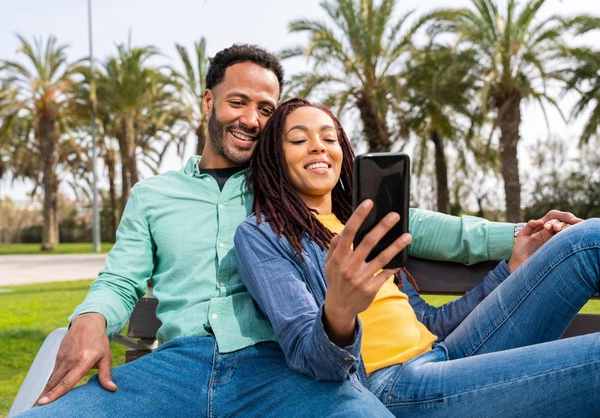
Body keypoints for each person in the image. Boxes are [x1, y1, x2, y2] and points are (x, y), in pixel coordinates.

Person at [19, 45, 393, 417]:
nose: (251, 119)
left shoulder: (288, 190)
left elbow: (383, 219)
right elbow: (120, 279)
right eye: (238, 102)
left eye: (265, 110)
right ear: (208, 102)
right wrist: (91, 317)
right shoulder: (152, 195)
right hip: (172, 372)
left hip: (278, 372)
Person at [234, 98, 600, 417]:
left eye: (329, 138)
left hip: (445, 355)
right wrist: (339, 310)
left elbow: (431, 322)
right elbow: (309, 355)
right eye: (299, 139)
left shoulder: (364, 225)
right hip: (393, 387)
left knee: (586, 238)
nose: (318, 147)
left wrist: (513, 268)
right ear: (274, 157)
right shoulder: (263, 234)